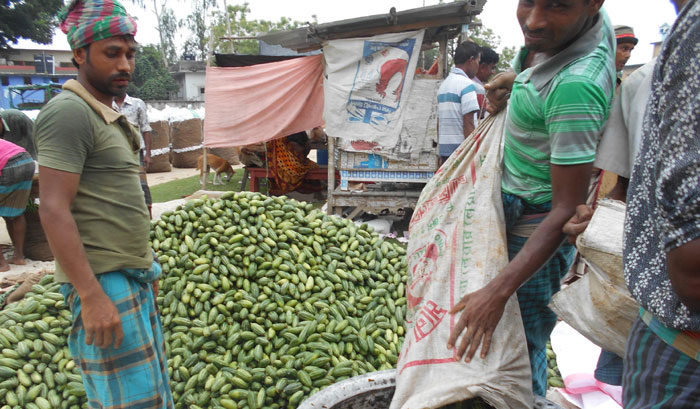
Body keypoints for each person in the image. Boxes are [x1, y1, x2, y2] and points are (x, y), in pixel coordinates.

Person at [446, 0, 616, 396]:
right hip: (509, 209)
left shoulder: (576, 85)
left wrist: (497, 291)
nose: (534, 20)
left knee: (520, 346)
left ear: (595, 3)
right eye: (527, 2)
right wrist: (519, 81)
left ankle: (528, 400)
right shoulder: (573, 32)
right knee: (499, 339)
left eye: (556, 5)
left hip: (534, 227)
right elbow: (544, 71)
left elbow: (565, 209)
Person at [33, 1, 174, 408]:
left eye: (130, 54)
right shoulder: (69, 113)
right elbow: (54, 209)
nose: (124, 65)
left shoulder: (109, 113)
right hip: (103, 282)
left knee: (149, 395)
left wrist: (145, 263)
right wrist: (91, 294)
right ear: (80, 54)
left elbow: (115, 201)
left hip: (130, 277)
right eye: (111, 53)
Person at [437, 41, 481, 163]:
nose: (478, 66)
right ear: (471, 60)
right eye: (478, 61)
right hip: (461, 154)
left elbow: (439, 123)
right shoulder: (467, 85)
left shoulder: (444, 85)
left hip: (446, 153)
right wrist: (473, 156)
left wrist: (441, 153)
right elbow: (468, 123)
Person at [0, 128, 35, 270]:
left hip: (8, 165)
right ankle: (19, 257)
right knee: (15, 212)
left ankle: (1, 264)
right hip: (26, 160)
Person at [113, 92, 153, 216]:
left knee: (142, 184)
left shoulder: (137, 103)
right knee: (120, 184)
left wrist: (148, 154)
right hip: (116, 151)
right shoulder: (107, 104)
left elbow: (146, 128)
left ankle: (148, 213)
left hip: (136, 151)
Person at [266, 131, 321, 195]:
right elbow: (306, 148)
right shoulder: (285, 135)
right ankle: (318, 193)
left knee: (313, 166)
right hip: (286, 164)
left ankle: (318, 193)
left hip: (280, 164)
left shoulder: (279, 133)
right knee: (314, 166)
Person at [473, 46, 500, 117]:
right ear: (482, 67)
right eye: (492, 68)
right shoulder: (478, 88)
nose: (493, 72)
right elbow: (482, 115)